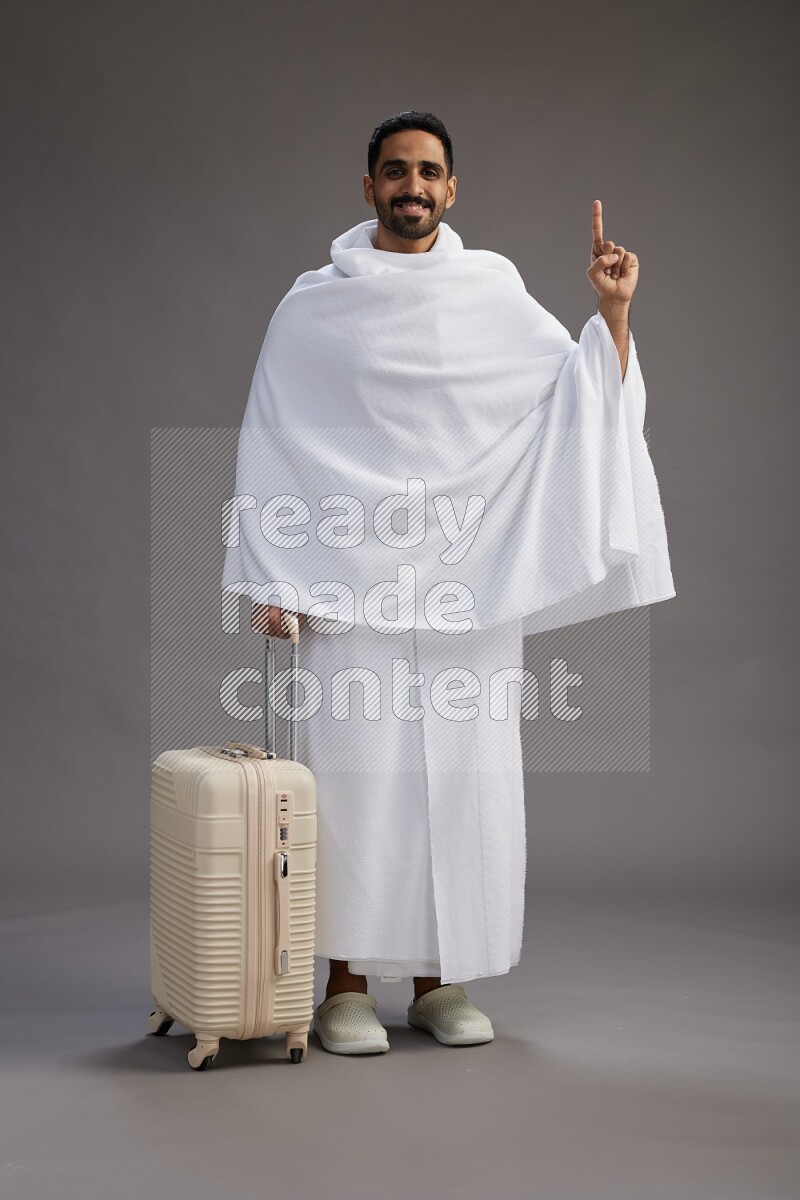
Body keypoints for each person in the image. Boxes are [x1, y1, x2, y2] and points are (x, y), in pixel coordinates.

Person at [224, 110, 674, 1055]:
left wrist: (615, 314)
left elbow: (580, 404)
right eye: (396, 172)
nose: (413, 187)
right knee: (352, 785)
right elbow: (273, 437)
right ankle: (343, 984)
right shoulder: (314, 306)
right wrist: (272, 573)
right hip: (349, 587)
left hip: (470, 581)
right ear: (368, 188)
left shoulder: (493, 294)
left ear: (453, 187)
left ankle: (440, 981)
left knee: (462, 783)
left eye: (429, 172)